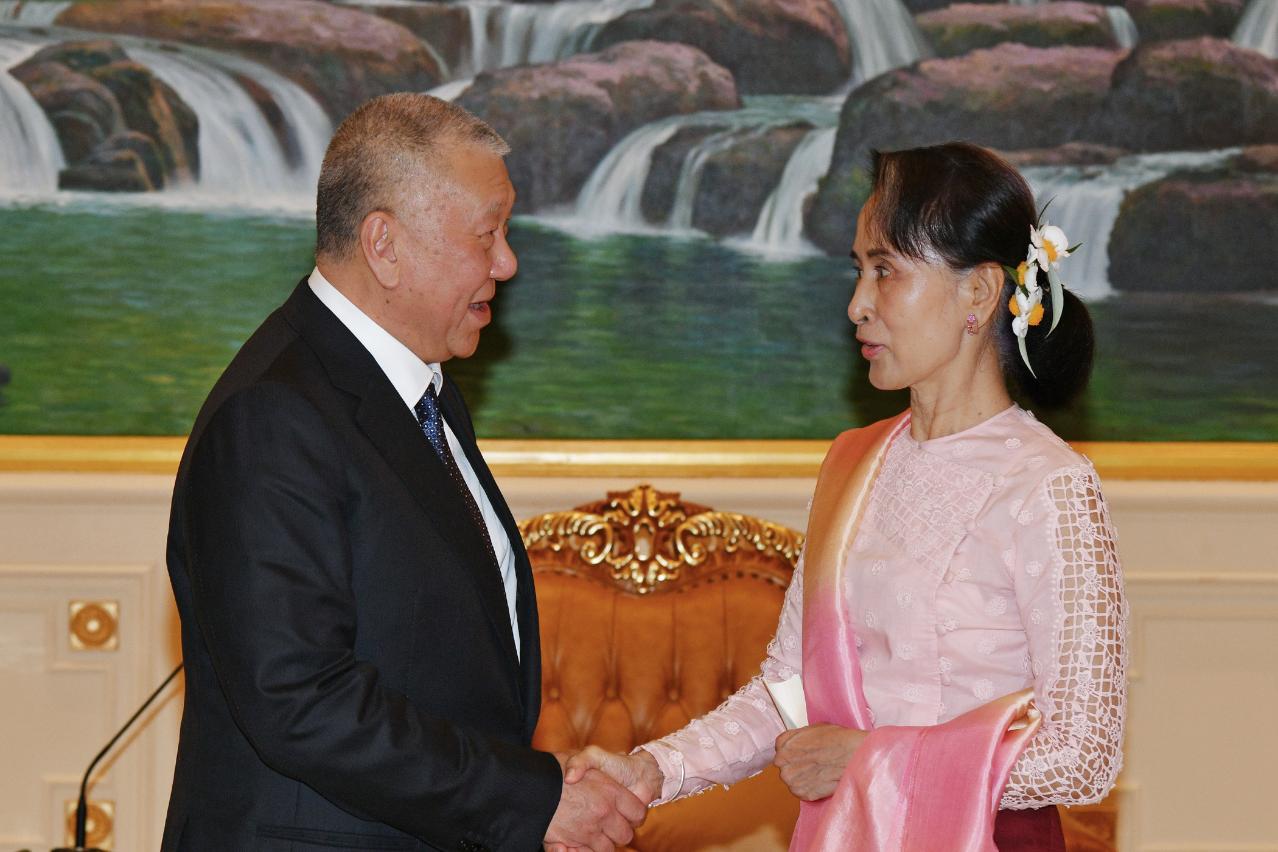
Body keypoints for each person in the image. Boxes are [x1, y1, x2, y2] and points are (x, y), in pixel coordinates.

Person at [563, 142, 1128, 850]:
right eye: (859, 270)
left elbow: (1082, 757)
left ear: (979, 294)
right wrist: (651, 770)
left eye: (886, 271)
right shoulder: (855, 462)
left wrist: (870, 760)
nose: (857, 305)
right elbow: (788, 692)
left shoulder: (1050, 486)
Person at [161, 93, 645, 852]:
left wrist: (529, 789)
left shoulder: (416, 385)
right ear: (384, 245)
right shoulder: (273, 415)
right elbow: (300, 699)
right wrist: (529, 799)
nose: (507, 263)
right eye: (487, 233)